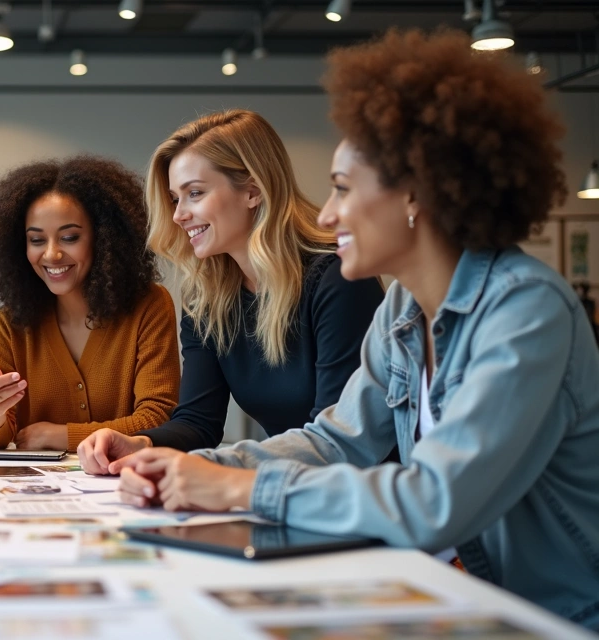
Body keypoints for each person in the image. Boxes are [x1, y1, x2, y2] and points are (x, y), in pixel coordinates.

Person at [114, 30, 599, 628]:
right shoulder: (400, 313)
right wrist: (199, 467)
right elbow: (335, 441)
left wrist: (236, 489)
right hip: (453, 591)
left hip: (550, 616)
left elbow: (434, 501)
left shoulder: (525, 310)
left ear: (416, 192)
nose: (328, 213)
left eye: (344, 189)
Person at [78, 110, 386, 474]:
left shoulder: (338, 279)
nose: (178, 215)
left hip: (361, 497)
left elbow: (338, 443)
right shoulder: (208, 299)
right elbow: (197, 423)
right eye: (175, 198)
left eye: (195, 193)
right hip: (287, 487)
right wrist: (141, 443)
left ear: (252, 191)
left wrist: (224, 477)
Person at [0, 156, 179, 452]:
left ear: (103, 238)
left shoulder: (149, 306)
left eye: (69, 237)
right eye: (37, 240)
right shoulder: (11, 322)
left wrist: (59, 436)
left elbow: (158, 419)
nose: (51, 254)